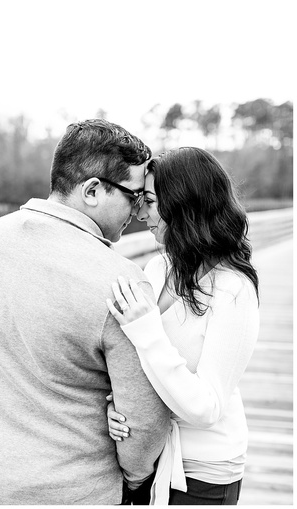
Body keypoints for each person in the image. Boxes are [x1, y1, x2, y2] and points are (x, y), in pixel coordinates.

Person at [0, 119, 170, 505]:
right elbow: (143, 416)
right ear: (92, 190)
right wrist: (137, 479)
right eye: (133, 196)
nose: (138, 211)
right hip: (78, 493)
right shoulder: (121, 282)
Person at [106, 147, 260, 505]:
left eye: (150, 201)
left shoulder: (234, 290)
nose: (141, 213)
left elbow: (207, 407)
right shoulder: (159, 269)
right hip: (149, 451)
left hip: (204, 470)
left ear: (183, 204)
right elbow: (143, 370)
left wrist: (145, 332)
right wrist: (118, 408)